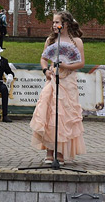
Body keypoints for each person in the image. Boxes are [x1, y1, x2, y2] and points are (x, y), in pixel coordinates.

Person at [30, 11, 87, 162]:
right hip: (53, 80)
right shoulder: (50, 40)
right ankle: (49, 152)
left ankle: (61, 152)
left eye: (57, 22)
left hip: (68, 82)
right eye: (53, 23)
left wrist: (67, 65)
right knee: (50, 115)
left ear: (66, 24)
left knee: (65, 117)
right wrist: (46, 70)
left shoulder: (76, 42)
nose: (54, 25)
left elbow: (81, 63)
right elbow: (43, 59)